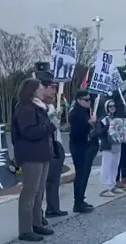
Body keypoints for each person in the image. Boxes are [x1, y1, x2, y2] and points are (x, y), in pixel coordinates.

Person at [11, 78, 57, 242]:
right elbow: (29, 132)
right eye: (40, 89)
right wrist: (50, 126)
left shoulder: (38, 108)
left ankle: (36, 222)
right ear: (33, 91)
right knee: (30, 192)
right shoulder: (26, 108)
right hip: (31, 155)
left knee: (39, 191)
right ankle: (25, 229)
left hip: (41, 154)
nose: (43, 91)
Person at [42, 82, 68, 219]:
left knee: (54, 180)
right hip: (45, 147)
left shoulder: (52, 106)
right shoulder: (39, 108)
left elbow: (57, 126)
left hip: (57, 145)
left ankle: (53, 207)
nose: (53, 92)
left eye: (55, 89)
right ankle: (37, 215)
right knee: (42, 182)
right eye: (51, 88)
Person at [68, 91, 97, 213]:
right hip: (79, 146)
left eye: (89, 100)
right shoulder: (75, 113)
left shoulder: (86, 112)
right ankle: (78, 202)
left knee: (85, 174)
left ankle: (81, 199)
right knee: (81, 174)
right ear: (79, 100)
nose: (88, 102)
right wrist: (88, 124)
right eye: (86, 100)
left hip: (87, 145)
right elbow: (76, 132)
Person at [98, 99, 126, 197]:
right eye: (110, 106)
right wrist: (106, 127)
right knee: (106, 165)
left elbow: (123, 129)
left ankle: (112, 185)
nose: (112, 108)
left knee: (115, 165)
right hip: (107, 145)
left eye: (113, 106)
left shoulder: (117, 118)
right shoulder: (103, 119)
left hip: (117, 144)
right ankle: (105, 187)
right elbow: (99, 132)